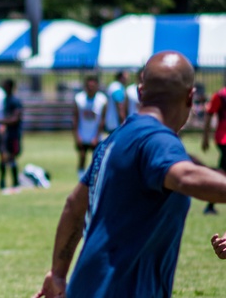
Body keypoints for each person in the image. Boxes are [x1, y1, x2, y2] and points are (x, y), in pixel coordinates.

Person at [33, 51, 226, 298]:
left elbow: (74, 206)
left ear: (139, 92)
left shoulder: (114, 141)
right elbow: (185, 177)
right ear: (190, 97)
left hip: (87, 287)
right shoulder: (158, 140)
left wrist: (58, 274)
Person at [72, 76, 107, 177]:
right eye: (88, 86)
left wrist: (96, 137)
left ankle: (95, 181)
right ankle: (81, 179)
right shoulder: (79, 99)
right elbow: (75, 118)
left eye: (93, 86)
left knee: (97, 160)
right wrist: (77, 136)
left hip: (95, 136)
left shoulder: (102, 100)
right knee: (82, 157)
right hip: (83, 134)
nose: (90, 88)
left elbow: (102, 120)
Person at [201, 84, 226, 214]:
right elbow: (209, 114)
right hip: (224, 138)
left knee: (222, 170)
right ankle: (210, 204)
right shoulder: (221, 95)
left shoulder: (220, 95)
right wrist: (205, 137)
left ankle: (210, 205)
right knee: (221, 172)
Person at [0, 78, 23, 194]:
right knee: (3, 157)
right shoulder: (5, 100)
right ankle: (2, 182)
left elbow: (16, 118)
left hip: (14, 135)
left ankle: (15, 183)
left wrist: (1, 122)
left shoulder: (15, 101)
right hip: (6, 134)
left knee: (12, 158)